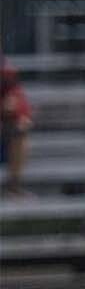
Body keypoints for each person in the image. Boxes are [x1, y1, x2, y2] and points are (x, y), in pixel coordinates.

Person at [0, 52, 32, 197]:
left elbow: (20, 105)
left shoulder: (6, 73)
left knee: (21, 128)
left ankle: (13, 187)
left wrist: (21, 117)